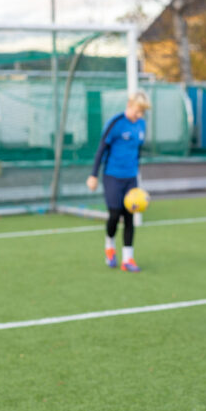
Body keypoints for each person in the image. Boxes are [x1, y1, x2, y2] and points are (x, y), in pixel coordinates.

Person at [86, 90, 151, 273]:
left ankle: (128, 259)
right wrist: (93, 175)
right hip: (112, 175)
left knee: (130, 216)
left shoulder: (141, 125)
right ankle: (109, 246)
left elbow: (137, 151)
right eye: (138, 111)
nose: (140, 115)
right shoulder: (115, 123)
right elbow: (101, 149)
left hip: (131, 178)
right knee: (114, 214)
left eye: (142, 112)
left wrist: (137, 173)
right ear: (129, 105)